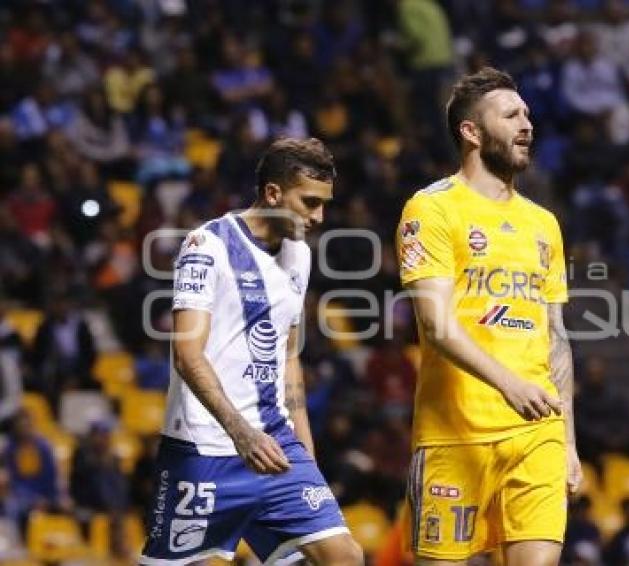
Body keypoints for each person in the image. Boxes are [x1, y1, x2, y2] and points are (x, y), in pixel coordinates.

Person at [140, 138, 363, 565]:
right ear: (273, 193)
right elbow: (187, 354)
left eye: (324, 205)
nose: (319, 217)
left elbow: (287, 354)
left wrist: (306, 451)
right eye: (310, 203)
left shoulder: (299, 253)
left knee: (345, 556)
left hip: (276, 442)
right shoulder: (207, 245)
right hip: (206, 447)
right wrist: (241, 434)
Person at [395, 67, 582, 566]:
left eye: (527, 113)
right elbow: (435, 327)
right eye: (511, 115)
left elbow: (556, 339)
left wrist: (566, 441)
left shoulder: (544, 224)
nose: (527, 123)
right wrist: (510, 385)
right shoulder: (431, 209)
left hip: (536, 433)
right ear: (471, 132)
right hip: (455, 433)